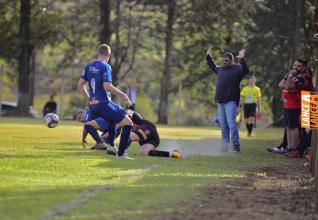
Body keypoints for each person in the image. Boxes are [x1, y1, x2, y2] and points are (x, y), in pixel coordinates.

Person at [77, 44, 134, 159]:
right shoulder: (106, 66)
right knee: (128, 123)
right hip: (104, 104)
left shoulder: (89, 66)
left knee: (112, 121)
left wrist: (89, 99)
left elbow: (80, 85)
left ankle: (111, 147)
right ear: (109, 55)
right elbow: (107, 86)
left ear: (98, 53)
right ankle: (121, 154)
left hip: (94, 106)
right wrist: (124, 95)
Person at [76, 109, 182, 159]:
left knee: (129, 136)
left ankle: (121, 153)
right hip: (150, 139)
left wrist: (114, 129)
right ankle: (173, 154)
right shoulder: (117, 118)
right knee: (146, 153)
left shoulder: (125, 112)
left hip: (148, 128)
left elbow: (129, 114)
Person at [206, 47, 249, 152]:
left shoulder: (237, 69)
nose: (224, 62)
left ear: (231, 61)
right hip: (220, 102)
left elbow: (246, 70)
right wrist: (208, 57)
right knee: (224, 125)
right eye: (223, 60)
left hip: (231, 101)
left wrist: (242, 59)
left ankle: (236, 146)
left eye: (226, 61)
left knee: (231, 123)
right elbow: (212, 65)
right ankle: (224, 147)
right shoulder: (220, 69)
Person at [278, 59, 313, 153]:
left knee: (306, 128)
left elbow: (288, 87)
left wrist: (289, 78)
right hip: (299, 101)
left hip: (308, 100)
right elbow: (281, 84)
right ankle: (290, 148)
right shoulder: (293, 74)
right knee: (292, 126)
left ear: (304, 67)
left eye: (299, 66)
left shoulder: (305, 76)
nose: (295, 68)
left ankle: (298, 150)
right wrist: (288, 83)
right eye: (295, 65)